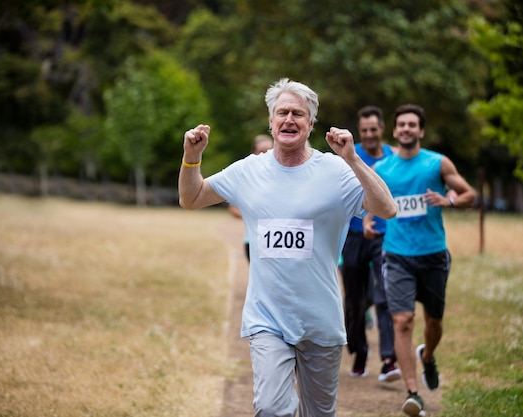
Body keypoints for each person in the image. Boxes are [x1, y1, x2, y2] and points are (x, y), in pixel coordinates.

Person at [178, 78, 397, 417]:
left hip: (320, 321)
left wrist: (353, 159)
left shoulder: (335, 170)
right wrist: (192, 159)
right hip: (268, 319)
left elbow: (387, 208)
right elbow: (191, 198)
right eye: (282, 112)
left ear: (311, 124)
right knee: (271, 409)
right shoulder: (250, 170)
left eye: (298, 113)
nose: (289, 119)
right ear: (270, 121)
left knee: (319, 413)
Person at [367, 104, 476, 417]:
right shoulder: (382, 169)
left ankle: (427, 355)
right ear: (395, 130)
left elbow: (469, 194)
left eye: (412, 124)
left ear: (421, 130)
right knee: (402, 320)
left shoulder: (437, 163)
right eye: (401, 124)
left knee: (434, 322)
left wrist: (449, 200)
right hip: (397, 255)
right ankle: (413, 393)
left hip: (433, 255)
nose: (406, 129)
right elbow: (373, 201)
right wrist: (372, 220)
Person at [340, 105, 401, 382]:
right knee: (354, 300)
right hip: (352, 236)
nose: (368, 134)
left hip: (384, 236)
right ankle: (359, 351)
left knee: (385, 296)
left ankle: (389, 358)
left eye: (373, 129)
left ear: (382, 130)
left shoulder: (393, 158)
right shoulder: (348, 158)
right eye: (363, 130)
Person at [228, 134, 274, 261]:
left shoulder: (284, 175)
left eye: (270, 150)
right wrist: (253, 215)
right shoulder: (247, 178)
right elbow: (232, 208)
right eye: (261, 151)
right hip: (253, 241)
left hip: (278, 243)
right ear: (254, 153)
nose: (266, 154)